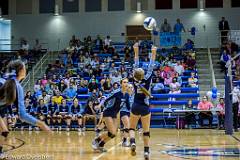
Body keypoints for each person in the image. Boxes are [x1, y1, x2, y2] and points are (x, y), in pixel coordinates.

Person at [0, 60, 50, 155]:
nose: (26, 69)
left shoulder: (9, 82)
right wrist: (40, 123)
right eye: (25, 67)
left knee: (4, 132)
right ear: (21, 71)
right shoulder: (14, 86)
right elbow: (22, 115)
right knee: (4, 131)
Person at [129, 43, 156, 160]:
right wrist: (153, 52)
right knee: (146, 130)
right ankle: (146, 152)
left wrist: (136, 51)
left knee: (131, 128)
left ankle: (133, 142)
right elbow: (151, 64)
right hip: (145, 107)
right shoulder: (148, 77)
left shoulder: (134, 78)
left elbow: (136, 63)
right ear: (143, 74)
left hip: (135, 105)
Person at [92, 78, 130, 152]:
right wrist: (99, 105)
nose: (126, 84)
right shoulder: (116, 92)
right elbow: (105, 98)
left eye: (127, 82)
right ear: (121, 84)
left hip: (115, 114)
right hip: (108, 112)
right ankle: (96, 140)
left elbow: (128, 107)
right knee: (112, 131)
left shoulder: (127, 95)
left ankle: (101, 145)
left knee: (113, 134)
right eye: (124, 82)